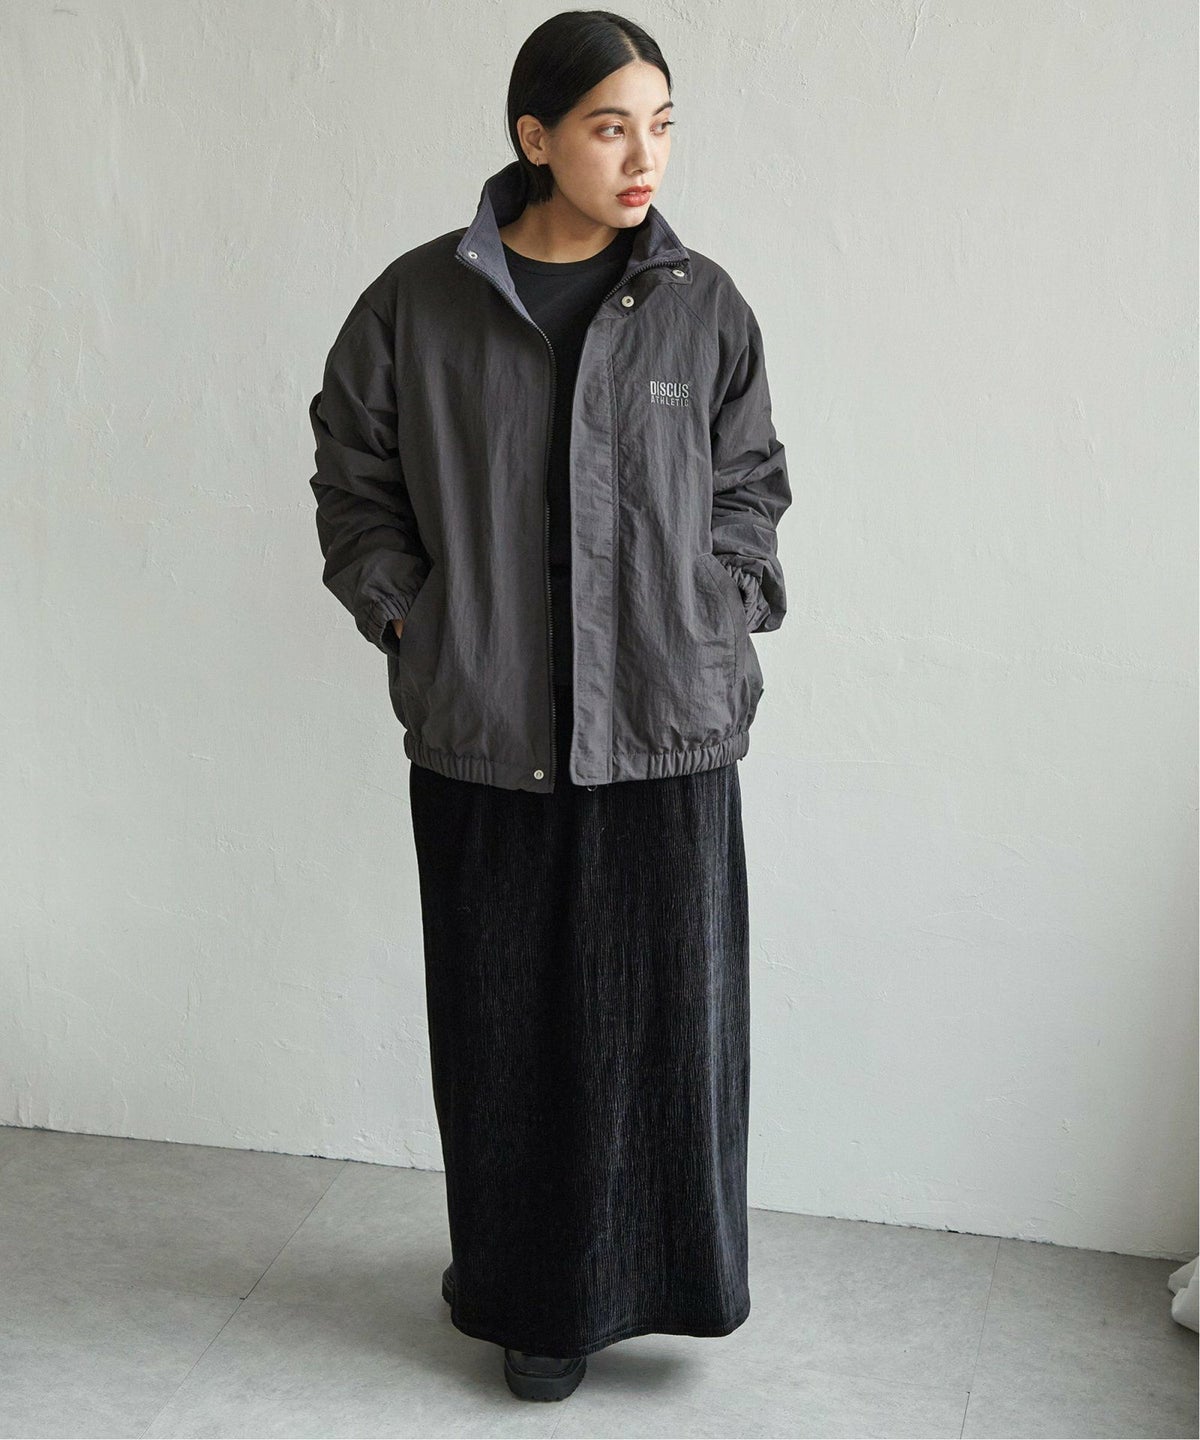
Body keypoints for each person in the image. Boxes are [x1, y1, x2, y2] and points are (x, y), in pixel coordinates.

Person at [308, 9, 792, 1403]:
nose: (645, 157)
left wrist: (726, 600)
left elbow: (750, 484)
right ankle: (533, 1306)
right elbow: (354, 483)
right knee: (507, 1031)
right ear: (535, 137)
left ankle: (666, 1283)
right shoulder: (417, 303)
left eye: (661, 125)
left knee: (662, 1027)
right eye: (608, 127)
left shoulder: (703, 305)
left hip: (666, 723)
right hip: (489, 728)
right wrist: (413, 617)